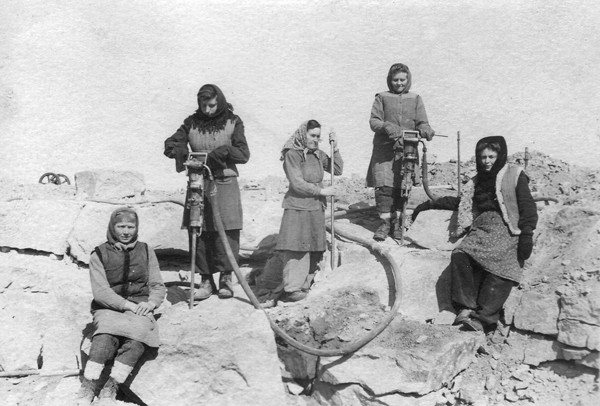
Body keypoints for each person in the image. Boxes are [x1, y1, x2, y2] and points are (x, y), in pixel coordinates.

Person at [411, 136, 538, 332]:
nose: (487, 161)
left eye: (491, 156)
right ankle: (465, 307)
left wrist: (527, 234)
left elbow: (527, 205)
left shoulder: (515, 175)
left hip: (507, 228)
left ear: (500, 155)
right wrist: (431, 204)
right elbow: (462, 202)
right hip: (482, 227)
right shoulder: (477, 180)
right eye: (483, 157)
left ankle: (484, 318)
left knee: (502, 266)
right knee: (461, 255)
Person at [164, 84, 250, 300]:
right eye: (203, 105)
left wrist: (224, 152)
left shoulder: (233, 122)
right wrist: (176, 147)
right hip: (198, 182)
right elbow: (174, 142)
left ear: (219, 102)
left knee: (228, 230)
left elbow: (243, 153)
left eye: (212, 105)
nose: (208, 110)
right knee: (198, 229)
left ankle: (226, 279)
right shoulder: (191, 123)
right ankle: (205, 280)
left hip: (224, 182)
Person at [78, 208, 166, 404]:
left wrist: (151, 303)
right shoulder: (99, 254)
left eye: (130, 227)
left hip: (140, 308)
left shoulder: (146, 250)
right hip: (109, 308)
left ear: (136, 228)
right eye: (121, 226)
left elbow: (157, 285)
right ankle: (88, 386)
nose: (126, 232)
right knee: (105, 337)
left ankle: (111, 387)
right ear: (112, 227)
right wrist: (127, 305)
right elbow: (101, 292)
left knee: (137, 340)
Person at [262, 120, 343, 307]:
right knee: (296, 247)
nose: (316, 140)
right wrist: (321, 191)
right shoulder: (292, 155)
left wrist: (335, 148)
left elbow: (337, 170)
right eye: (312, 136)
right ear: (302, 134)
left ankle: (305, 286)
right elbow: (297, 183)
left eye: (318, 136)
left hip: (316, 208)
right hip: (297, 207)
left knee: (313, 246)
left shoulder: (318, 155)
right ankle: (291, 289)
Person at [366, 63, 435, 241]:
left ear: (408, 79)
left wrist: (426, 128)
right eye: (395, 80)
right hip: (384, 151)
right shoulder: (381, 97)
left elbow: (422, 122)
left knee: (403, 185)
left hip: (407, 150)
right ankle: (385, 224)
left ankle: (397, 223)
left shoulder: (416, 98)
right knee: (384, 186)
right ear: (390, 80)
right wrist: (386, 126)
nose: (398, 83)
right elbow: (374, 122)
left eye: (402, 80)